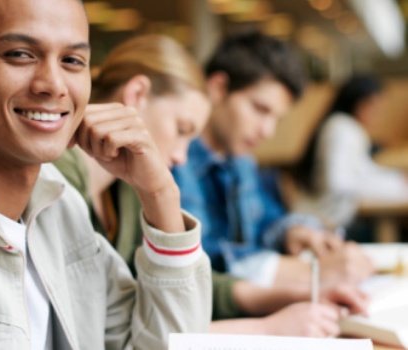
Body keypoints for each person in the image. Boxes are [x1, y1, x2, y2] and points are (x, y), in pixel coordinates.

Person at [0, 0, 212, 348]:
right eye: (20, 54)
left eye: (71, 61)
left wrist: (160, 194)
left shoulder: (60, 200)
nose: (53, 85)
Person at [55, 34, 370, 338]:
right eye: (181, 129)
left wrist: (294, 275)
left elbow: (175, 293)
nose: (180, 156)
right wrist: (270, 319)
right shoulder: (62, 179)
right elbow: (125, 325)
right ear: (137, 95)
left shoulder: (127, 188)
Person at [172, 29, 373, 293]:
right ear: (219, 88)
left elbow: (267, 219)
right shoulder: (174, 158)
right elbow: (193, 265)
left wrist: (295, 232)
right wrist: (306, 272)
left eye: (276, 118)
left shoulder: (241, 162)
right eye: (260, 109)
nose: (267, 131)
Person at [291, 74, 408, 235]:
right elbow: (337, 182)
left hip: (332, 218)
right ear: (356, 102)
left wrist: (397, 181)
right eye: (373, 105)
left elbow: (364, 171)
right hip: (324, 223)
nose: (377, 113)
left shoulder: (346, 127)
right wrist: (396, 186)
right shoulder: (342, 128)